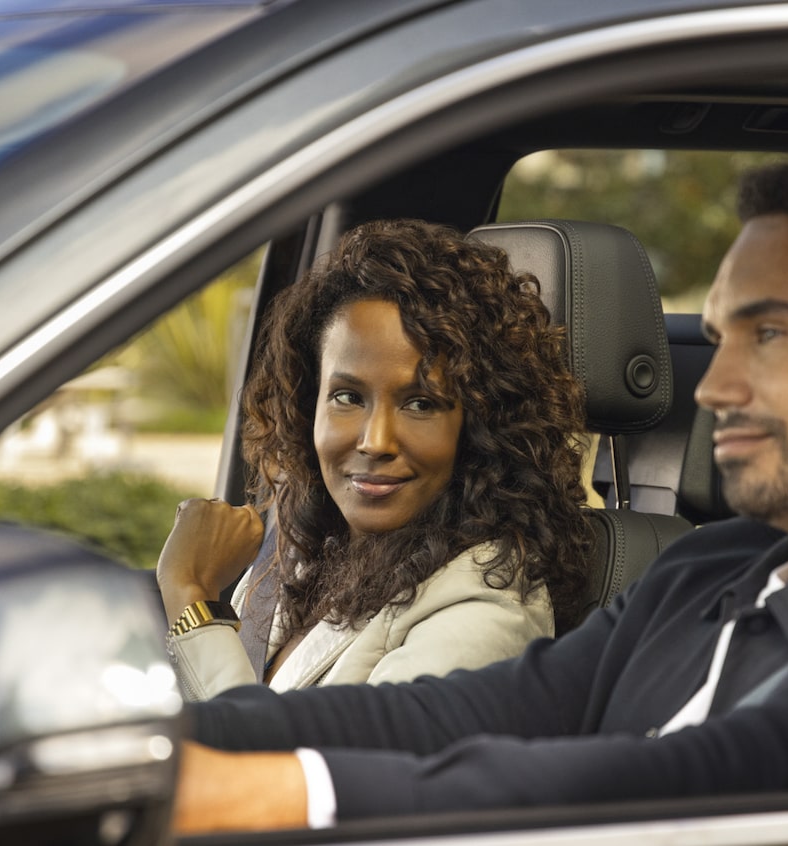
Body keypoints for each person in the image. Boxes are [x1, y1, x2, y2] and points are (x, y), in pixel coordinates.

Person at [169, 157, 788, 833]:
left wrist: (287, 790)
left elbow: (702, 782)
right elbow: (460, 715)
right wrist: (168, 742)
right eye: (718, 338)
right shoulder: (710, 571)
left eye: (769, 334)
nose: (714, 387)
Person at [155, 218, 592, 700]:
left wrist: (190, 595)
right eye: (346, 397)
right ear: (308, 406)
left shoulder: (484, 614)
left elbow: (291, 772)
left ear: (481, 427)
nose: (375, 440)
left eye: (420, 403)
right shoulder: (308, 552)